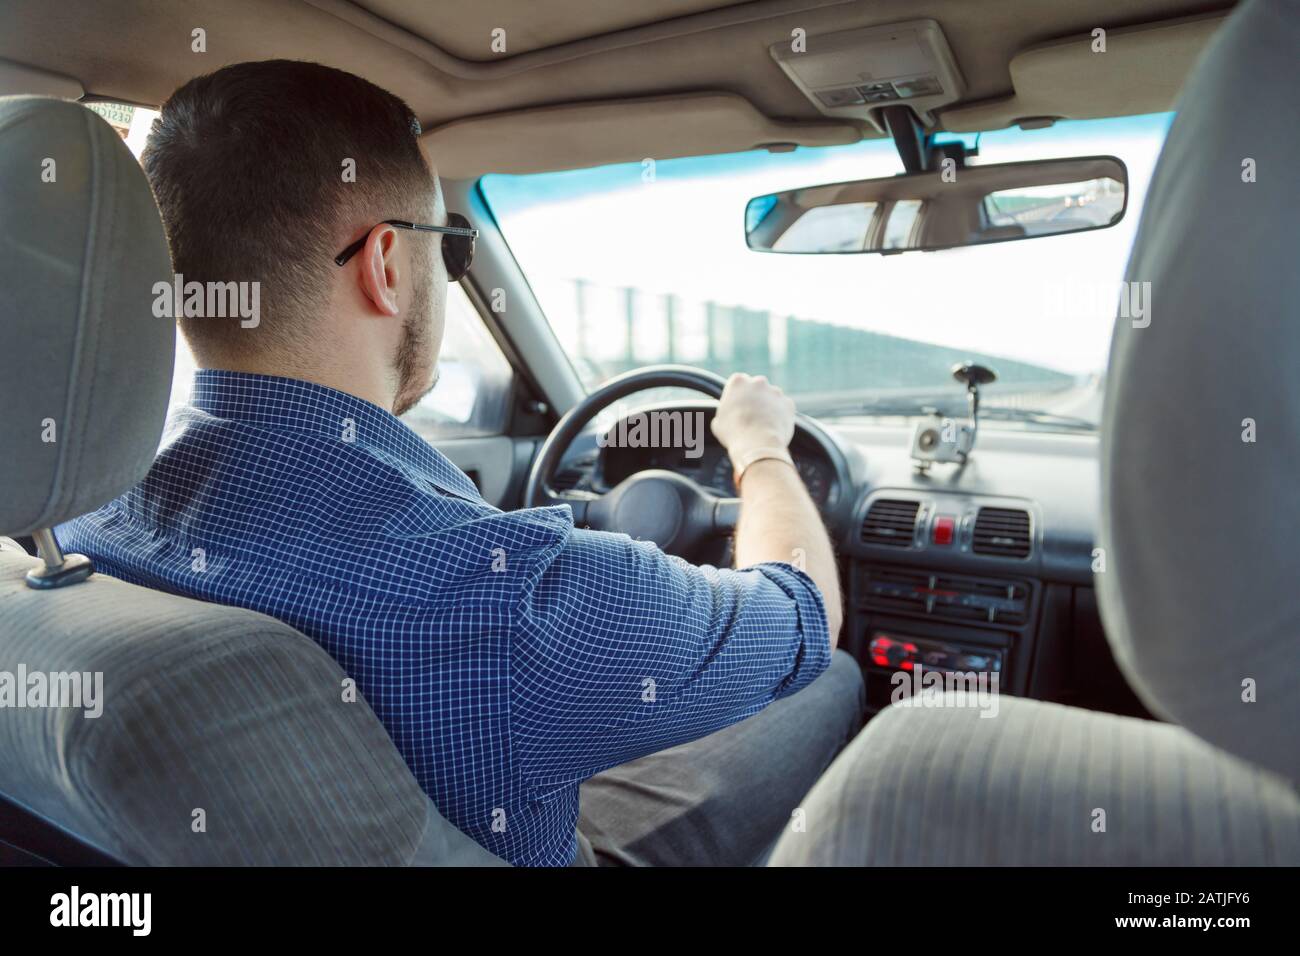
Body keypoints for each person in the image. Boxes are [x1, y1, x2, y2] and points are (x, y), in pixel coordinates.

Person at [59, 60, 863, 867]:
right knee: (828, 679)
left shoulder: (75, 529)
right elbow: (802, 615)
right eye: (449, 246)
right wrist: (759, 447)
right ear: (384, 265)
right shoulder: (508, 594)